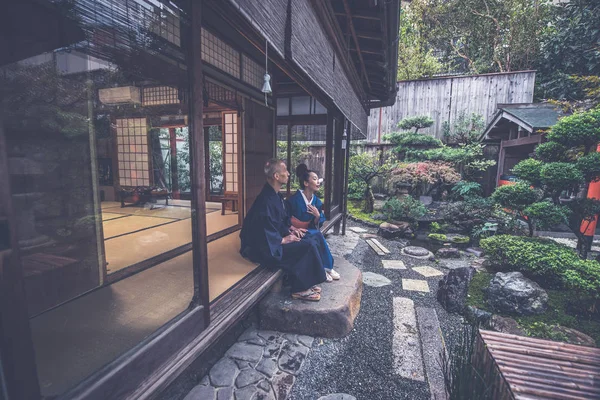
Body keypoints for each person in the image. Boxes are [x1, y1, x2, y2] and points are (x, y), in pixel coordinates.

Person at [240, 159, 327, 301]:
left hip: (271, 240)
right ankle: (300, 289)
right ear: (276, 176)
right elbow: (262, 232)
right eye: (285, 170)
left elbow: (279, 221)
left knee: (309, 238)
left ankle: (306, 282)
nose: (288, 173)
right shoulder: (265, 201)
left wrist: (290, 230)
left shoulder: (275, 195)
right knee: (306, 246)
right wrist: (283, 239)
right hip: (261, 248)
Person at [288, 164, 339, 282]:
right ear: (306, 183)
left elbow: (317, 223)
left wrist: (316, 216)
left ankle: (326, 268)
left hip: (308, 229)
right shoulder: (293, 200)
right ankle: (325, 268)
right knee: (316, 236)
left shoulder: (317, 201)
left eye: (318, 179)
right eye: (314, 179)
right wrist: (293, 228)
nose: (318, 182)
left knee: (316, 235)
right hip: (293, 230)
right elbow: (286, 218)